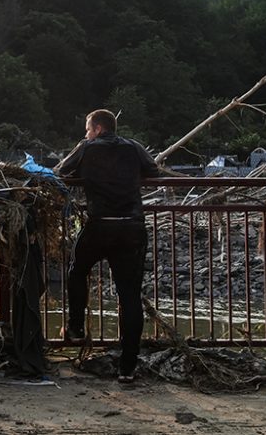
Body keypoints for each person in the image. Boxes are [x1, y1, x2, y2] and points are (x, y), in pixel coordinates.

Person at [54, 108, 160, 383]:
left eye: (88, 129)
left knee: (78, 270)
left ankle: (75, 326)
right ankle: (127, 367)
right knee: (129, 295)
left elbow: (62, 171)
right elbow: (153, 170)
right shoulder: (134, 147)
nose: (86, 134)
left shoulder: (87, 148)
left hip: (100, 224)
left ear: (98, 129)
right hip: (132, 227)